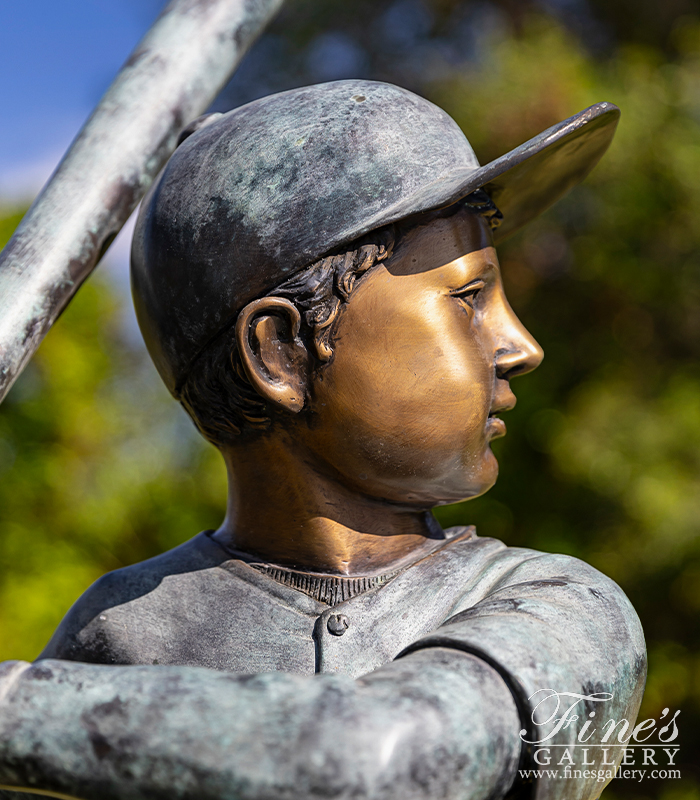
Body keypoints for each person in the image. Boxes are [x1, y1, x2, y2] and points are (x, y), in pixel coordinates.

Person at [0, 81, 645, 800]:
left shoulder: (564, 610)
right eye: (468, 301)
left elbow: (394, 760)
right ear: (279, 352)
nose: (522, 345)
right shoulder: (116, 631)